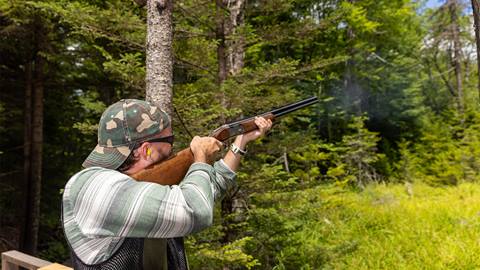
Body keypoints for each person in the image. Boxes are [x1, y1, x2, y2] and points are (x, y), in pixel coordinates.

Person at [61, 99, 272, 270]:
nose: (173, 149)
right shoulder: (93, 187)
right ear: (146, 150)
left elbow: (208, 190)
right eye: (169, 141)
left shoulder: (134, 187)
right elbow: (197, 211)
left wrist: (240, 143)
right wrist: (200, 157)